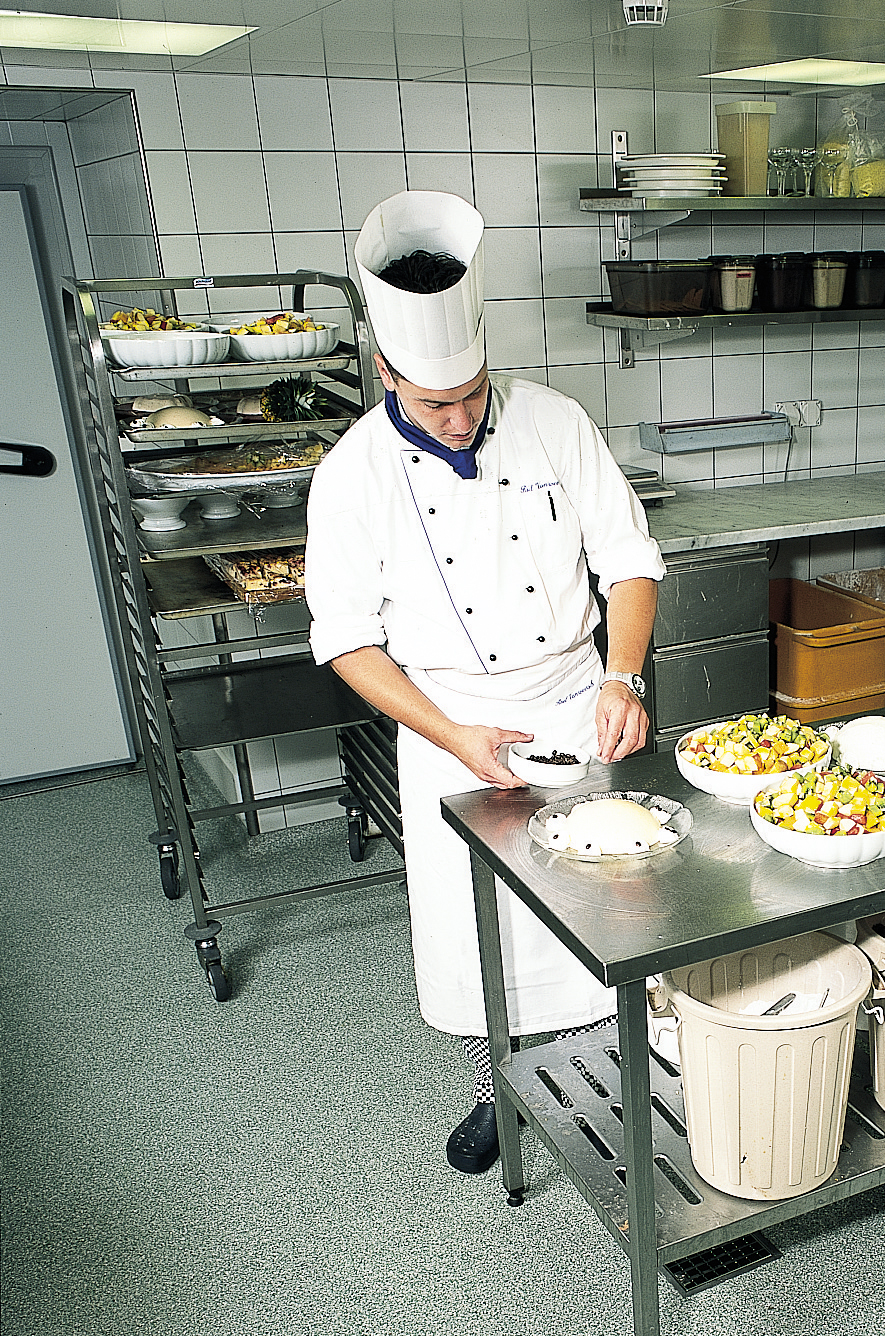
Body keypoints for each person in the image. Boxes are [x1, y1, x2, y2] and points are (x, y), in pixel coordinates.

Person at [305, 191, 664, 1175]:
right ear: (386, 374)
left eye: (471, 393)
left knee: (607, 909)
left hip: (572, 703)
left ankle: (616, 1083)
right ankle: (490, 1095)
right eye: (433, 404)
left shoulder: (552, 421)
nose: (460, 419)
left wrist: (622, 676)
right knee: (478, 929)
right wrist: (457, 735)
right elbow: (346, 641)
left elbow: (626, 559)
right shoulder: (350, 476)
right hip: (448, 724)